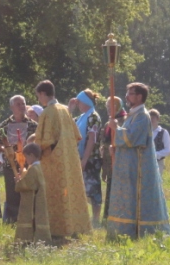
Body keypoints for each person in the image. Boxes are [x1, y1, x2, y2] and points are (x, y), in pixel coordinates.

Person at [106, 82, 170, 239]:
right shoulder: (133, 114)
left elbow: (133, 138)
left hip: (138, 167)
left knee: (136, 198)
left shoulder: (142, 116)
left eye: (130, 93)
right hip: (128, 165)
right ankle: (122, 231)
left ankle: (139, 232)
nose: (126, 97)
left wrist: (116, 129)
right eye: (127, 93)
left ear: (139, 96)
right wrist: (115, 146)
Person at [34, 80, 92, 238]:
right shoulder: (65, 110)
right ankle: (75, 226)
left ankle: (56, 229)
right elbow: (76, 136)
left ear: (43, 94)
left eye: (39, 96)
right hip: (69, 159)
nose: (39, 100)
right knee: (70, 193)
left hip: (53, 161)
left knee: (55, 194)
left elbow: (43, 141)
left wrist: (34, 153)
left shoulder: (48, 112)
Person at [0, 95, 37, 224]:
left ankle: (29, 221)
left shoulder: (33, 125)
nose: (22, 106)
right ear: (11, 107)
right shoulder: (5, 125)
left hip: (28, 166)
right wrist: (6, 148)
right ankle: (12, 222)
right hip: (10, 165)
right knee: (12, 194)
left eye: (23, 104)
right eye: (18, 104)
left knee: (29, 194)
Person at [72, 90, 103, 227]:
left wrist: (84, 159)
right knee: (82, 189)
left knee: (93, 188)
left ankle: (96, 219)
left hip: (91, 159)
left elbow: (91, 139)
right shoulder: (81, 117)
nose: (78, 104)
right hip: (80, 157)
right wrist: (70, 109)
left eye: (79, 101)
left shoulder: (93, 116)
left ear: (85, 102)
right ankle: (82, 217)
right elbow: (67, 123)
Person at [14, 143, 50, 243]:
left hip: (35, 199)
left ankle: (31, 238)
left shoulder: (34, 168)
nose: (25, 160)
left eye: (26, 157)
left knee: (33, 218)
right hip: (40, 196)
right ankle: (38, 238)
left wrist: (18, 182)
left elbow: (28, 184)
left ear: (31, 155)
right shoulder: (39, 166)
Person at [101, 97, 125, 221]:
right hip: (109, 162)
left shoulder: (124, 121)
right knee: (110, 189)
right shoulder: (107, 124)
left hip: (120, 161)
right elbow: (104, 145)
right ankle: (107, 217)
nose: (109, 109)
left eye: (112, 106)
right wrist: (104, 169)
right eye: (107, 107)